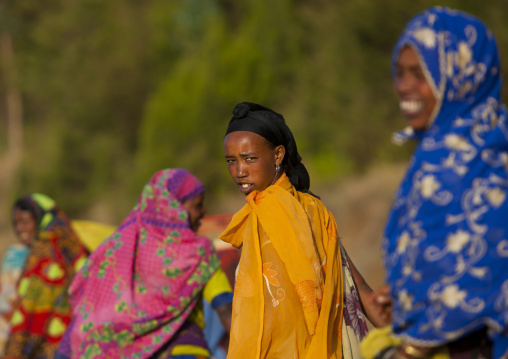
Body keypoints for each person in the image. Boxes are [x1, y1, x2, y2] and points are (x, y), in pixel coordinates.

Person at [363, 6, 508, 359]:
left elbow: (480, 274)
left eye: (421, 73)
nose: (404, 86)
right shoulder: (464, 147)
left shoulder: (461, 160)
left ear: (462, 75)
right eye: (399, 73)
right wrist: (406, 296)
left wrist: (412, 348)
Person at [221, 102, 384, 359]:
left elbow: (351, 283)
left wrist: (410, 343)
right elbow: (357, 285)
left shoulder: (299, 211)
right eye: (231, 161)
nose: (239, 171)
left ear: (278, 155)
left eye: (249, 158)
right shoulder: (301, 209)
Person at [57, 168, 233, 358]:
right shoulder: (199, 253)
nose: (204, 211)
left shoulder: (116, 249)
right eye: (198, 205)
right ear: (174, 208)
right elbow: (225, 308)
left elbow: (88, 314)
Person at [4, 193, 89, 359]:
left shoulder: (45, 251)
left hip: (49, 344)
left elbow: (32, 307)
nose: (19, 228)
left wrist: (14, 350)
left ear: (40, 218)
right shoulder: (72, 244)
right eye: (16, 223)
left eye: (25, 222)